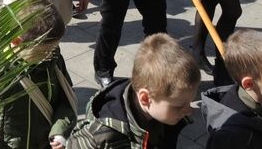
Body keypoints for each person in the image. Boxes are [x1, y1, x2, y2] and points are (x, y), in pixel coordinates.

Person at [0, 1, 77, 148]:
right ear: (17, 40)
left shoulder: (53, 59)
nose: (49, 55)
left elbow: (66, 100)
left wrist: (60, 131)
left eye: (54, 48)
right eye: (42, 51)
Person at [67, 33, 200, 148]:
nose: (189, 111)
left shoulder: (163, 115)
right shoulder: (102, 136)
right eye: (179, 106)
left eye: (190, 102)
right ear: (145, 99)